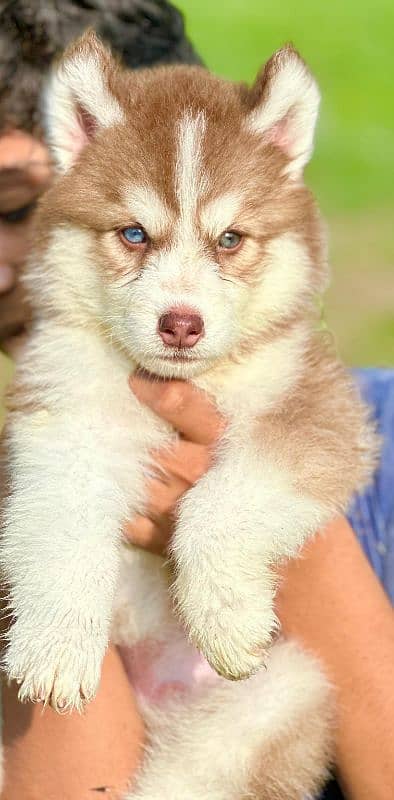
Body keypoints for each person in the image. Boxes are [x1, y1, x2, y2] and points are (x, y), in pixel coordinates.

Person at [0, 3, 393, 799]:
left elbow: (323, 451)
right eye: (134, 236)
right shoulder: (65, 368)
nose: (181, 304)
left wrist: (230, 539)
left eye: (13, 205)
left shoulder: (356, 410)